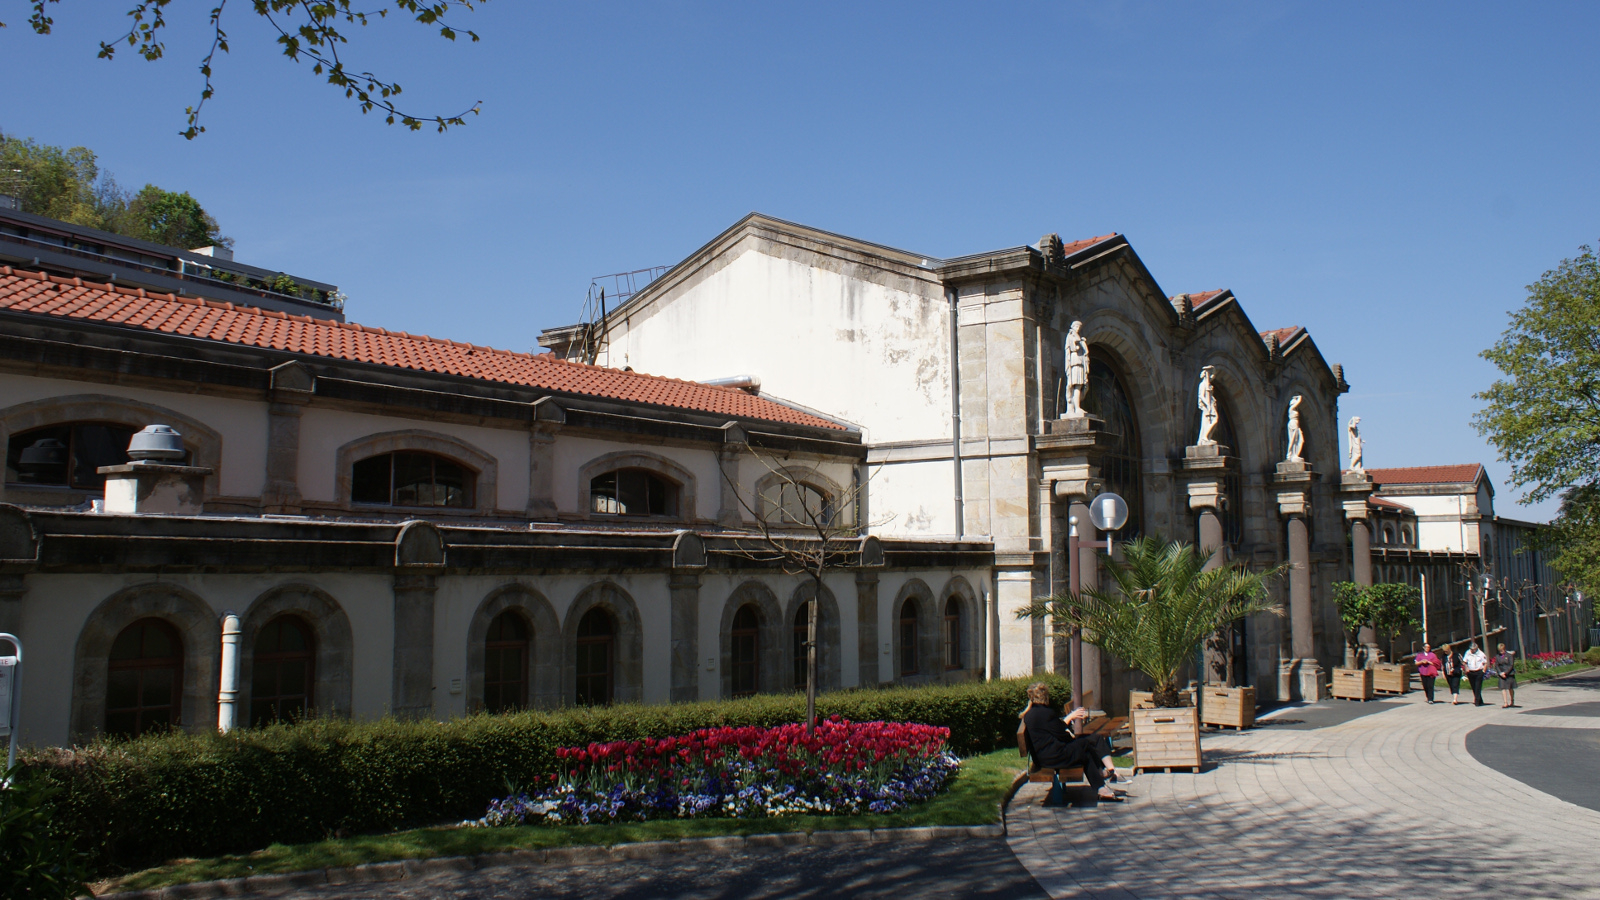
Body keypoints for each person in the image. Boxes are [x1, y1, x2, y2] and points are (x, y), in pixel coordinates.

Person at [1019, 681, 1123, 802]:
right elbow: (1063, 735)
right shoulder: (1046, 713)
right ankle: (1101, 778)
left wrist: (1068, 730)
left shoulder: (1030, 714)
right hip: (1054, 757)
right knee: (1084, 746)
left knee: (1085, 749)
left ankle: (1102, 786)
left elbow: (1056, 731)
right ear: (1045, 697)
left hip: (1044, 757)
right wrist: (1070, 720)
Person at [1493, 642, 1517, 708]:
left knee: (1510, 688)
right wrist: (1500, 673)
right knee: (1503, 688)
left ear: (1504, 649)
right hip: (1501, 674)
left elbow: (1511, 665)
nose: (1501, 652)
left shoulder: (1509, 655)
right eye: (1500, 651)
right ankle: (1505, 702)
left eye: (1502, 650)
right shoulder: (1497, 656)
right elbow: (1497, 665)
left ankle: (1512, 701)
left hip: (1509, 674)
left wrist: (1505, 673)